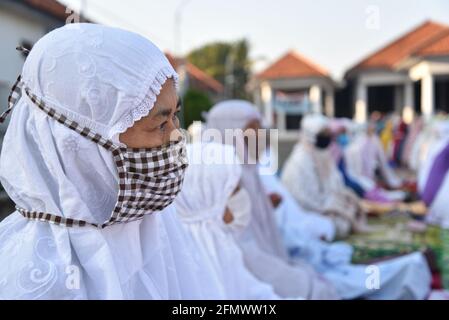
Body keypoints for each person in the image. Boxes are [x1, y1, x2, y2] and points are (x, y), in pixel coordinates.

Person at [0, 23, 218, 299]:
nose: (177, 137)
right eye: (161, 124)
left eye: (175, 115)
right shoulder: (36, 281)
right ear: (81, 145)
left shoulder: (156, 224)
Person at [205, 100, 339, 300]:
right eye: (251, 130)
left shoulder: (249, 170)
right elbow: (248, 255)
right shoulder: (220, 178)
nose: (260, 136)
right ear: (229, 130)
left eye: (259, 129)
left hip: (276, 262)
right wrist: (303, 286)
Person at [175, 142, 282, 299]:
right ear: (206, 198)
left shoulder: (220, 243)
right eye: (235, 190)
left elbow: (253, 292)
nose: (242, 196)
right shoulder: (188, 265)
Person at [282, 114, 369, 238]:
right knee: (334, 226)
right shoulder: (299, 161)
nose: (327, 138)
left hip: (328, 207)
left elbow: (336, 185)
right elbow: (303, 200)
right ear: (310, 135)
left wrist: (344, 199)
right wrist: (331, 207)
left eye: (328, 134)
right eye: (323, 134)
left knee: (351, 213)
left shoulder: (324, 155)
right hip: (310, 212)